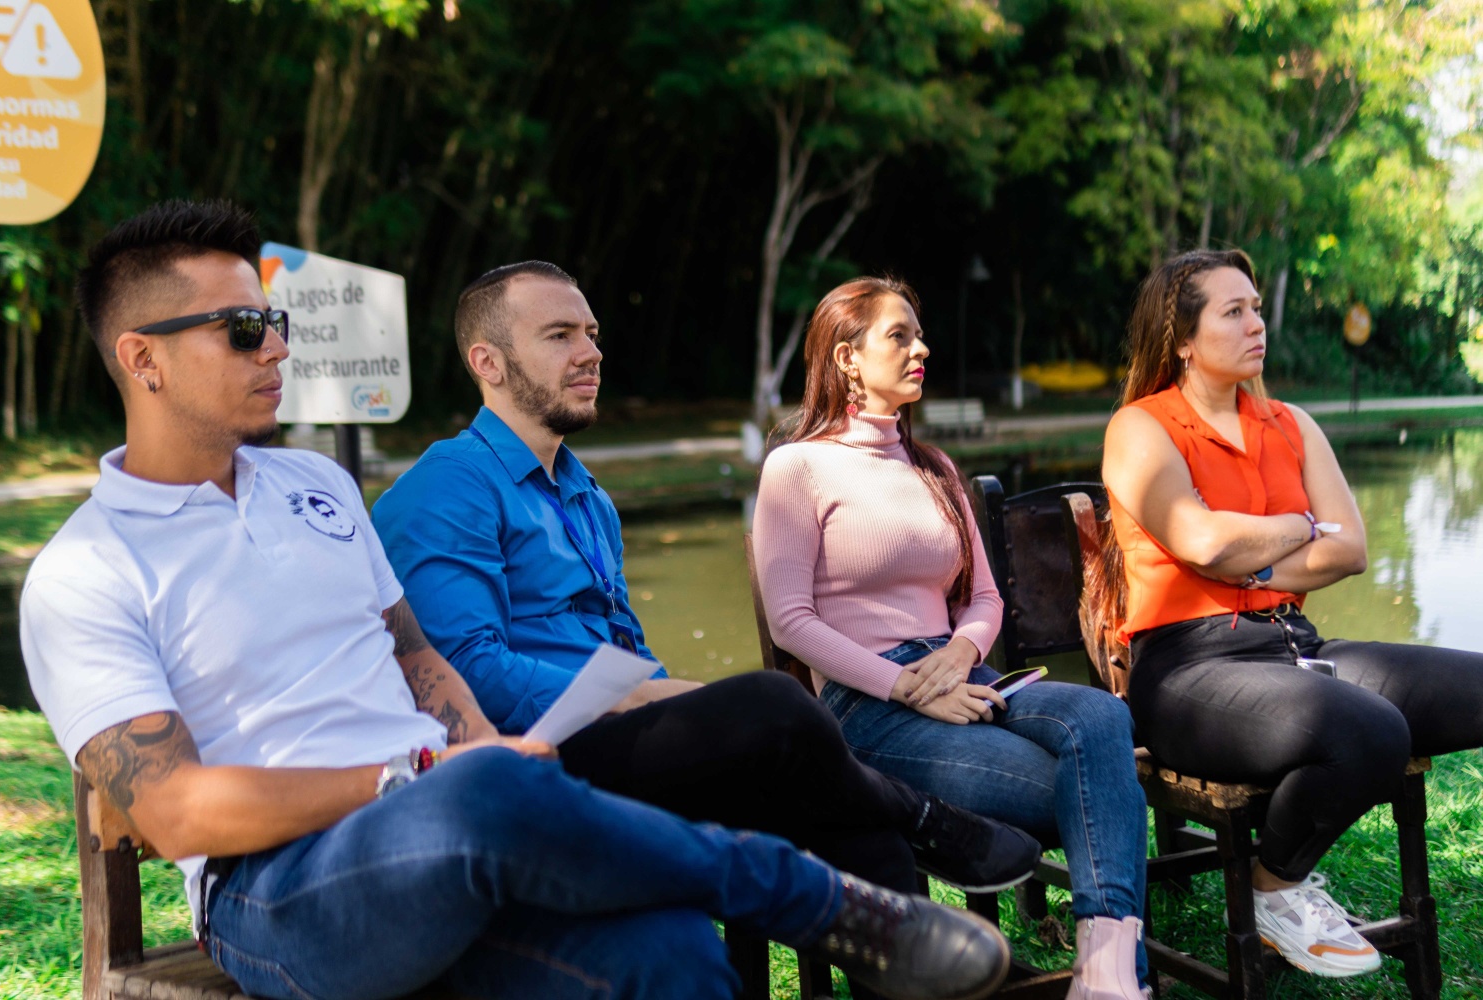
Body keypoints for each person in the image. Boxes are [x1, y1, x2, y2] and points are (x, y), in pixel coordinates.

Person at [19, 200, 1016, 1000]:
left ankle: (864, 899)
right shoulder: (87, 571)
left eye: (274, 324)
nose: (276, 349)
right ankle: (818, 902)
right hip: (278, 888)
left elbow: (417, 654)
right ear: (142, 358)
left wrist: (481, 750)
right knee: (515, 783)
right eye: (243, 331)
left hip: (458, 820)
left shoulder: (317, 488)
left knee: (669, 952)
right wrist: (419, 774)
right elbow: (174, 811)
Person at [371, 262, 1042, 920]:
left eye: (592, 333)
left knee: (856, 826)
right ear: (487, 362)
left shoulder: (586, 496)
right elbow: (466, 667)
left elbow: (630, 652)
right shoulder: (447, 486)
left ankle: (924, 921)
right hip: (534, 755)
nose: (591, 353)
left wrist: (672, 697)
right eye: (560, 335)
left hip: (622, 736)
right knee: (776, 700)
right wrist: (637, 696)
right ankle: (926, 816)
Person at [751, 276, 1152, 1000]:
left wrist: (959, 655)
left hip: (960, 674)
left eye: (919, 334)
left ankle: (1107, 966)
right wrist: (907, 686)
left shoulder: (933, 467)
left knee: (1102, 717)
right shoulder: (797, 467)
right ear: (846, 358)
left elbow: (984, 599)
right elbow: (791, 620)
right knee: (1083, 788)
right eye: (899, 336)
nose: (921, 349)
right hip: (867, 703)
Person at [1098, 248, 1483, 979]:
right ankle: (1274, 887)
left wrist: (1257, 561)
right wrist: (1302, 525)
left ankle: (1281, 879)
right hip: (1186, 669)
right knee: (1371, 730)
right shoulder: (1141, 428)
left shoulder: (1291, 424)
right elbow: (1203, 541)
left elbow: (1352, 549)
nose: (1257, 324)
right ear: (1183, 339)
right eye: (1234, 311)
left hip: (1294, 647)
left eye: (1257, 308)